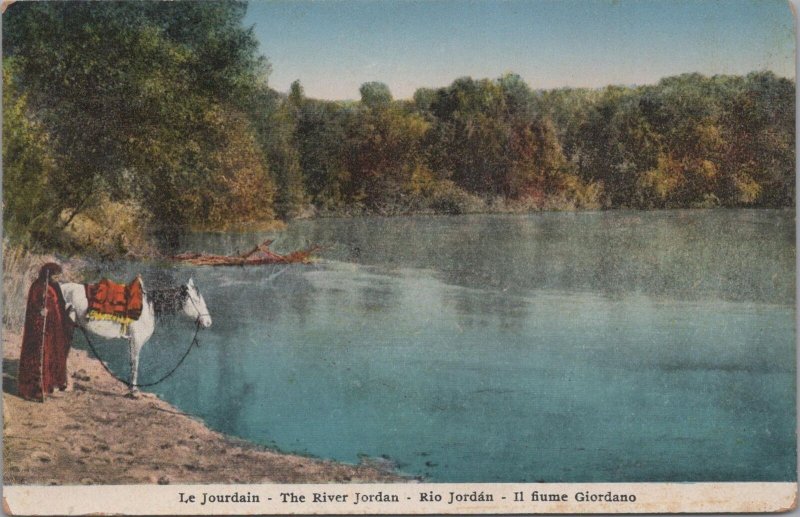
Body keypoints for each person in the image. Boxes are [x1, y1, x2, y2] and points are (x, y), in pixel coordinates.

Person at [17, 263, 74, 402]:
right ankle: (34, 391)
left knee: (51, 357)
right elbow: (33, 307)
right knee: (39, 358)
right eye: (54, 275)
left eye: (57, 276)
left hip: (53, 331)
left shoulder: (54, 286)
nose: (56, 278)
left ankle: (48, 385)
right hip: (39, 331)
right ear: (47, 274)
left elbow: (59, 304)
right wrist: (40, 312)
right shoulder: (37, 286)